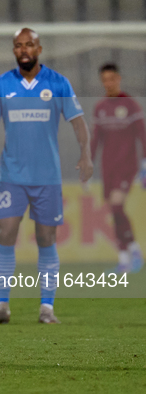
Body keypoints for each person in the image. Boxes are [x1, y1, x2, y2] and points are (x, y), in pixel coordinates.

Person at [0, 28, 93, 324]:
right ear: (14, 50)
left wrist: (86, 153)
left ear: (39, 48)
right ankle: (2, 306)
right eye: (18, 45)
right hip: (11, 175)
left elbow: (78, 122)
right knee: (5, 233)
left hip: (47, 177)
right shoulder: (2, 84)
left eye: (29, 44)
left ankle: (47, 308)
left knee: (46, 237)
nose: (24, 49)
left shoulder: (58, 83)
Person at [91, 63, 146, 273]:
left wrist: (144, 163)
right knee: (115, 212)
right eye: (105, 80)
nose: (109, 83)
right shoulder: (100, 107)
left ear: (119, 79)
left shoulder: (130, 105)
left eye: (112, 79)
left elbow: (143, 134)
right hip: (109, 168)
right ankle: (128, 255)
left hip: (127, 166)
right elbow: (96, 139)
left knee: (116, 206)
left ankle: (129, 252)